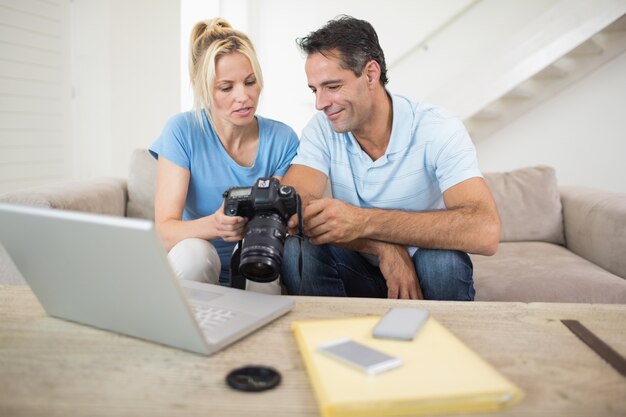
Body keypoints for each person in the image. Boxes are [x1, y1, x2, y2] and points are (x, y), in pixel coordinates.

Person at [280, 15, 501, 301]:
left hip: (422, 272)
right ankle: (329, 342)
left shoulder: (437, 127)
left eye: (332, 87)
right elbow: (296, 210)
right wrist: (384, 247)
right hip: (355, 264)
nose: (320, 103)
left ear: (371, 74)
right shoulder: (322, 129)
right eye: (315, 89)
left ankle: (439, 344)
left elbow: (484, 230)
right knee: (297, 250)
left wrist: (364, 221)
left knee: (442, 262)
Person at [150, 18, 299, 291]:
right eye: (227, 87)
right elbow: (164, 232)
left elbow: (281, 222)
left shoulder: (283, 139)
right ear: (201, 87)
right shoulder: (182, 131)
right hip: (196, 260)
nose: (243, 97)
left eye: (250, 82)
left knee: (258, 261)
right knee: (194, 255)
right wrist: (217, 225)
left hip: (255, 258)